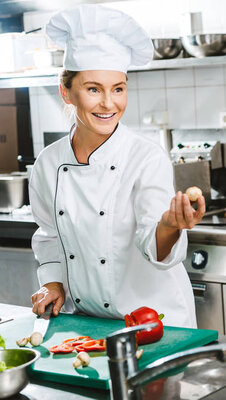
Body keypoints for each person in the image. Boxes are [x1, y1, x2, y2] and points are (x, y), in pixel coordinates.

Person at [29, 4, 204, 329]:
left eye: (118, 89)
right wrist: (53, 282)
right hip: (86, 324)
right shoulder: (48, 164)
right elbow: (50, 236)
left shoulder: (145, 158)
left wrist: (170, 224)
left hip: (155, 323)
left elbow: (153, 245)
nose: (109, 103)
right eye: (94, 89)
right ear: (66, 92)